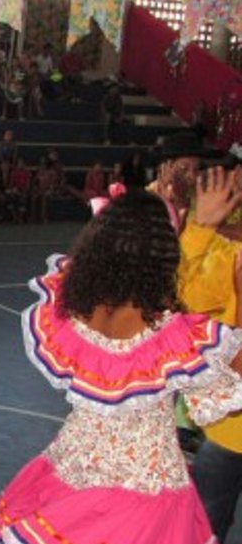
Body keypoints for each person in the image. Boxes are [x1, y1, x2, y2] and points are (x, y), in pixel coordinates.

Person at [0, 183, 242, 544]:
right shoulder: (172, 335)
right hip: (144, 491)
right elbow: (224, 392)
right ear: (161, 258)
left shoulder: (70, 308)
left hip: (71, 469)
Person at [177, 164, 242, 542]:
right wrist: (202, 227)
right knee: (205, 523)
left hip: (229, 426)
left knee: (206, 522)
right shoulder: (227, 248)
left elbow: (186, 300)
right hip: (229, 428)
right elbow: (189, 299)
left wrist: (202, 227)